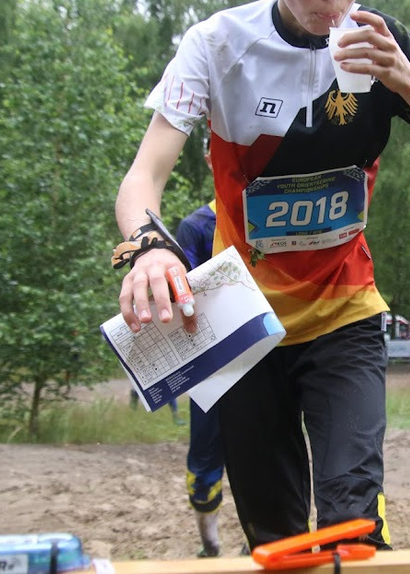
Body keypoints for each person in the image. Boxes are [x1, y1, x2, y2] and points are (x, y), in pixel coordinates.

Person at [113, 0, 410, 551]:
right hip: (241, 326)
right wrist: (151, 245)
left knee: (354, 529)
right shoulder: (215, 45)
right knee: (278, 539)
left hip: (343, 314)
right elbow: (143, 176)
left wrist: (403, 77)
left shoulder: (386, 44)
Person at [175, 198, 227, 557]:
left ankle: (262, 541)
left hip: (266, 359)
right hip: (208, 364)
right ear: (211, 156)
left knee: (269, 456)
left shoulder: (265, 214)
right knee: (205, 460)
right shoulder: (195, 226)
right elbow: (183, 294)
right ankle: (210, 544)